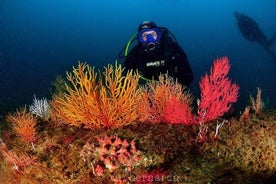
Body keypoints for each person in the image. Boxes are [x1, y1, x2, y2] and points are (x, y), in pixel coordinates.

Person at [121, 21, 194, 86]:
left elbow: (188, 78)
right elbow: (126, 82)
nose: (150, 39)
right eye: (144, 35)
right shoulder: (135, 55)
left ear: (159, 35)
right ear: (140, 39)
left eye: (153, 34)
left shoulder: (171, 49)